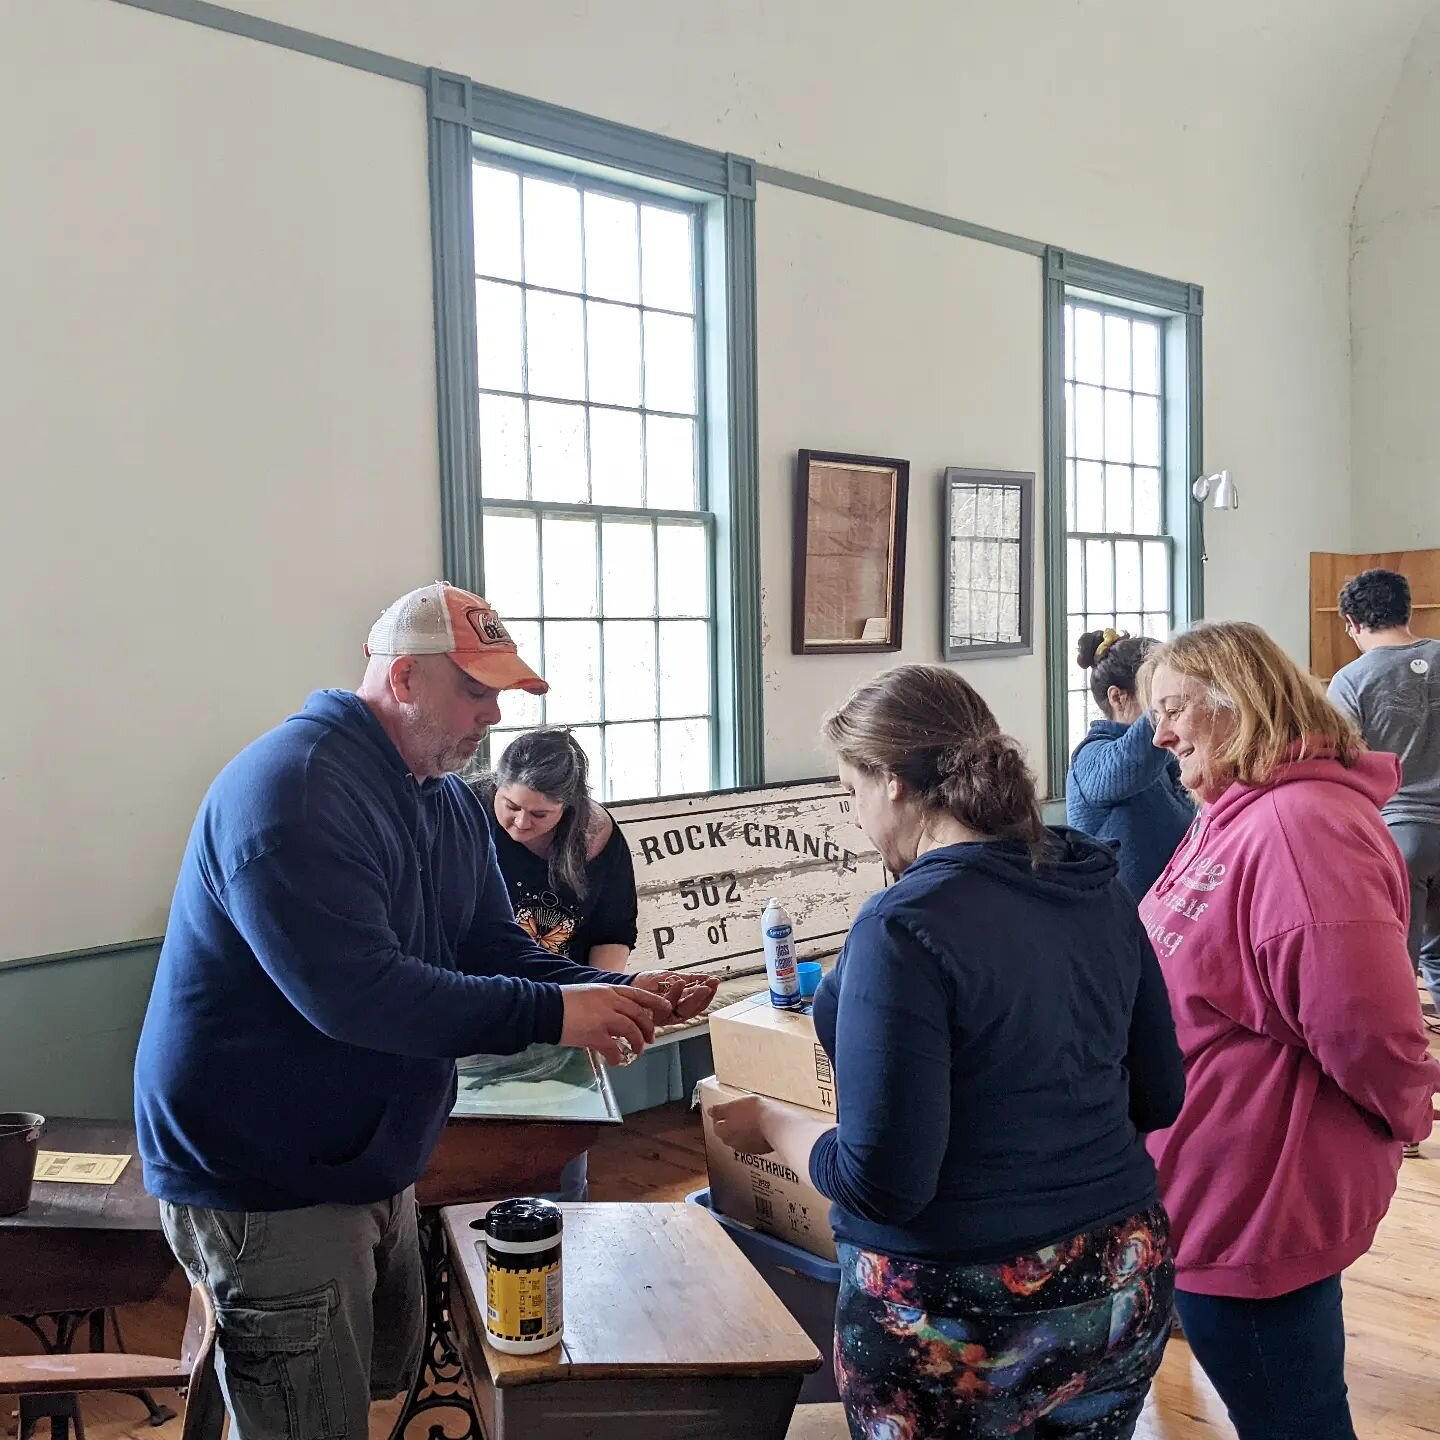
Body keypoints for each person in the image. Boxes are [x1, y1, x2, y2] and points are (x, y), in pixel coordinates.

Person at [133, 581, 717, 1440]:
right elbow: (358, 995)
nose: (493, 716)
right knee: (304, 1416)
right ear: (404, 678)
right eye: (475, 691)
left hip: (368, 1152)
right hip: (265, 1170)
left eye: (500, 694)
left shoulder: (439, 798)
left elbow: (489, 943)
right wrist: (558, 1018)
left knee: (373, 1376)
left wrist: (599, 993)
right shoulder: (295, 790)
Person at [712, 664, 1185, 1440]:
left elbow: (882, 1183)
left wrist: (770, 1123)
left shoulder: (904, 926)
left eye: (852, 792)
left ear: (894, 782)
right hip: (1117, 1275)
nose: (856, 817)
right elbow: (1159, 1094)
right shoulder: (1090, 881)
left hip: (961, 1311)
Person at [1138, 620, 1440, 1440]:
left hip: (1261, 1203)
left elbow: (1364, 1024)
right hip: (1215, 1189)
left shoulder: (1301, 826)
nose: (1158, 735)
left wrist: (1409, 1112)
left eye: (1174, 709)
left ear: (1238, 703)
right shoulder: (1231, 810)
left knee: (1293, 1421)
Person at [1328, 568, 1440, 1017]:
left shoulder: (1350, 680)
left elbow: (1342, 764)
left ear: (1352, 624)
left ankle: (1407, 1055)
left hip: (1400, 836)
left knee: (1400, 965)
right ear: (1408, 611)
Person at [472, 728, 638, 971]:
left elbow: (612, 932)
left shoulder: (596, 833)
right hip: (476, 980)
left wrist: (602, 989)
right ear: (496, 786)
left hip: (568, 984)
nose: (521, 822)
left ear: (568, 807)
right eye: (511, 806)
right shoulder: (466, 811)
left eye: (539, 814)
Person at [1067, 628, 1194, 899]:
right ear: (1117, 697)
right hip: (1117, 918)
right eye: (1154, 694)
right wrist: (1170, 702)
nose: (1163, 708)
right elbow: (1132, 762)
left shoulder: (1165, 756)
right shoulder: (1089, 757)